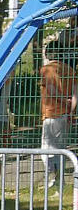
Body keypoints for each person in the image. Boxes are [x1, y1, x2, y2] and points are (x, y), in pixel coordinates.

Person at [40, 53, 73, 188]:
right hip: (65, 114)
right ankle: (59, 180)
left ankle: (53, 177)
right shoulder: (69, 70)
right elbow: (75, 92)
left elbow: (51, 90)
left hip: (51, 113)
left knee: (45, 149)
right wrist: (70, 110)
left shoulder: (47, 69)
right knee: (61, 148)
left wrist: (63, 101)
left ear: (48, 54)